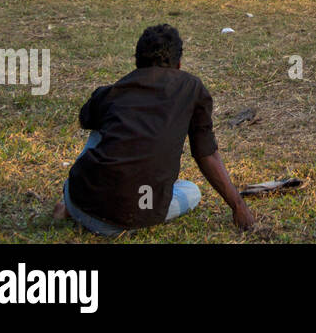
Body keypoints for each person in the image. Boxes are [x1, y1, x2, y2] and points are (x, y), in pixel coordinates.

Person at [54, 23, 255, 236]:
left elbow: (86, 118)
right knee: (192, 191)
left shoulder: (114, 91)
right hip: (140, 213)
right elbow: (206, 154)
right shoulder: (192, 88)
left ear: (137, 61)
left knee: (100, 126)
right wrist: (238, 206)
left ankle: (67, 208)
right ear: (178, 64)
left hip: (81, 204)